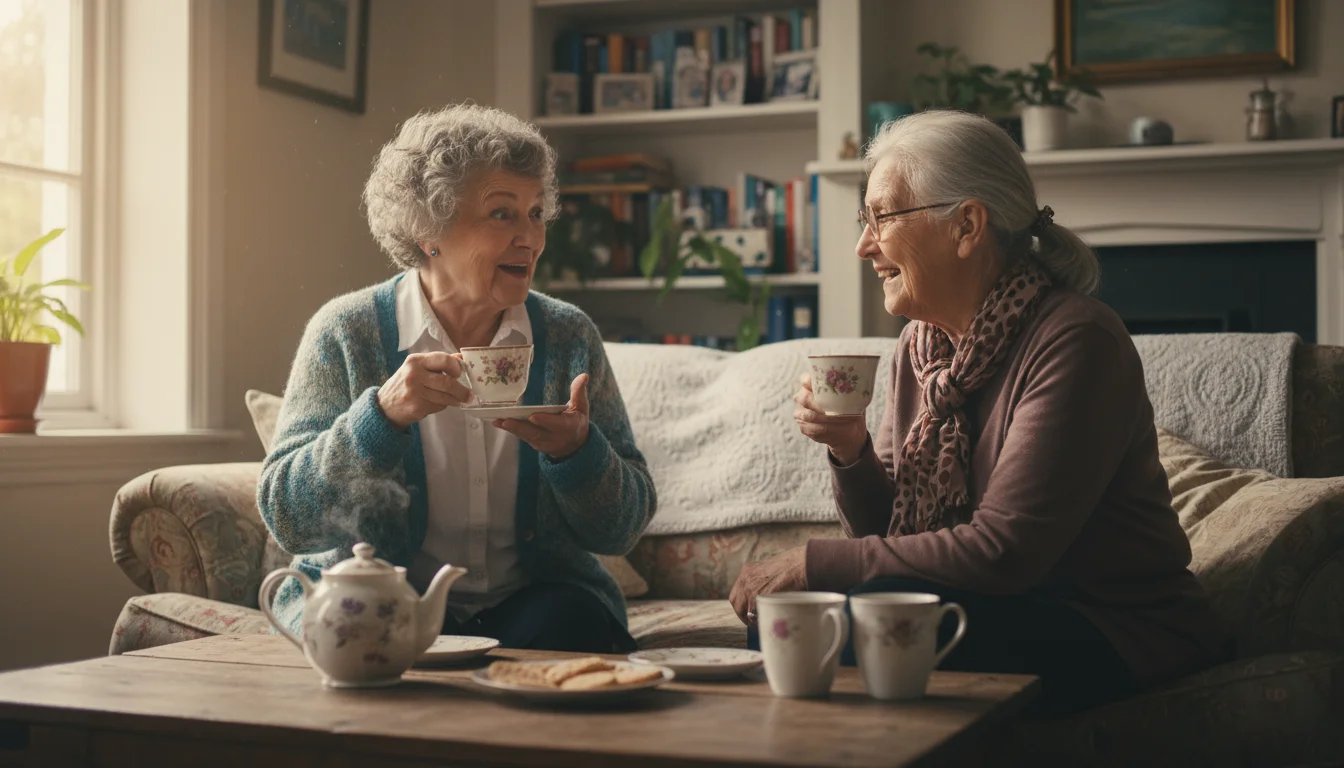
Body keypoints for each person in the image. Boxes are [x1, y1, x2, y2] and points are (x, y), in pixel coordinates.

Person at [728, 110, 1228, 712]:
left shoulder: (1077, 339)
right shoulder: (919, 347)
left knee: (851, 622)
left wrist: (813, 562)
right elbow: (889, 536)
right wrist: (850, 450)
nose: (864, 245)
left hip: (1109, 624)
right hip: (995, 604)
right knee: (788, 623)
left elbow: (1005, 550)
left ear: (965, 225)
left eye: (881, 217)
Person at [258, 104, 656, 654]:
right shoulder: (346, 333)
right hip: (381, 600)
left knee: (578, 629)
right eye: (502, 214)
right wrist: (380, 419)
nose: (531, 238)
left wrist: (580, 455)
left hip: (536, 603)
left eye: (536, 212)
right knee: (366, 634)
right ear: (429, 232)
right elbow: (288, 517)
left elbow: (623, 528)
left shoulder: (567, 336)